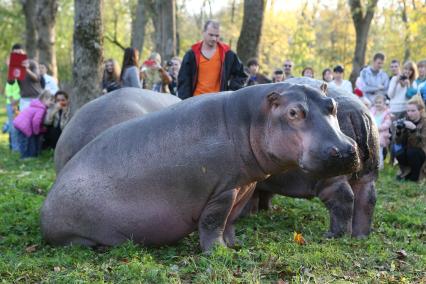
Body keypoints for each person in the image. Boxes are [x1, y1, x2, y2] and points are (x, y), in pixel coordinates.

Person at [178, 20, 248, 99]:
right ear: (203, 32)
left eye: (217, 36)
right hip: (195, 102)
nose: (214, 38)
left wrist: (231, 91)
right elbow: (183, 80)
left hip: (218, 102)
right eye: (211, 35)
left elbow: (241, 75)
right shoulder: (191, 54)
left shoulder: (228, 54)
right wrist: (185, 101)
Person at [394, 95, 426, 182]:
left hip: (422, 152)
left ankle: (415, 177)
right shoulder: (406, 120)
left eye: (413, 110)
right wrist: (398, 132)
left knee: (412, 152)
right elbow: (398, 142)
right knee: (399, 152)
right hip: (409, 151)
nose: (410, 113)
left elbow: (422, 144)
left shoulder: (424, 122)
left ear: (420, 110)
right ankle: (406, 173)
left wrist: (413, 130)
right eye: (408, 111)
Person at [13, 90, 53, 158]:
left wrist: (40, 129)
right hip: (23, 125)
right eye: (51, 100)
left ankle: (27, 156)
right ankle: (25, 157)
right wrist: (36, 131)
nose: (52, 103)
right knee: (24, 142)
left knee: (23, 141)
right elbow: (36, 121)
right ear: (44, 99)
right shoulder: (41, 109)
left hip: (18, 123)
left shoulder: (36, 106)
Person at [370, 94, 392, 169]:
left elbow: (387, 123)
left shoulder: (387, 113)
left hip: (381, 134)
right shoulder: (372, 111)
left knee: (379, 150)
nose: (378, 104)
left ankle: (380, 166)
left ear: (384, 103)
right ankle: (372, 164)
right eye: (376, 102)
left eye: (380, 102)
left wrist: (377, 128)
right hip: (372, 133)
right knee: (372, 150)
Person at [2, 79, 20, 151]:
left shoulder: (21, 79)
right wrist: (13, 105)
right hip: (12, 105)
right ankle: (15, 148)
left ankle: (6, 125)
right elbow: (9, 94)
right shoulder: (11, 79)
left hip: (20, 103)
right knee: (13, 127)